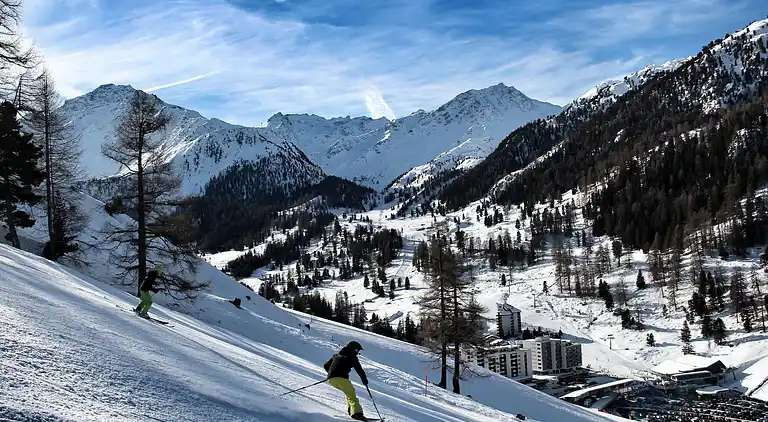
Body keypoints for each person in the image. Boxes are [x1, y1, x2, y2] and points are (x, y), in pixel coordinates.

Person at [324, 341, 368, 420]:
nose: (357, 352)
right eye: (357, 350)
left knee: (348, 393)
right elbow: (359, 370)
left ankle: (351, 410)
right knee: (352, 395)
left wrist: (332, 374)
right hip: (341, 378)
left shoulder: (337, 355)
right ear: (353, 349)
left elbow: (326, 366)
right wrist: (364, 380)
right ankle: (357, 414)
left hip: (331, 380)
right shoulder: (352, 357)